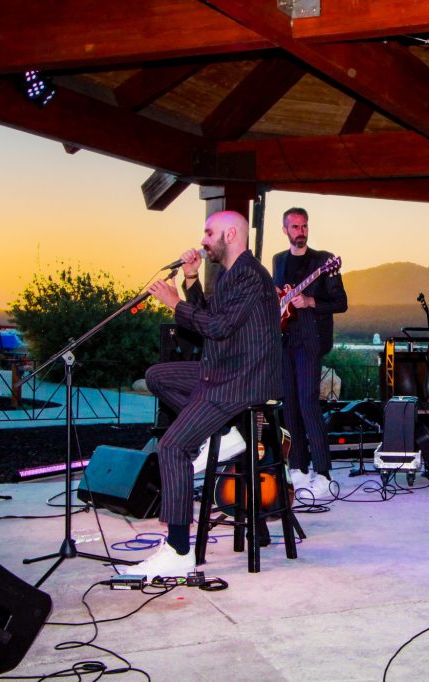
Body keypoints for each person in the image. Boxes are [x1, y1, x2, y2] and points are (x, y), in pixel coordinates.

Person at [123, 211, 281, 579]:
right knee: (159, 376)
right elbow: (211, 317)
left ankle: (179, 550)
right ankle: (222, 434)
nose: (203, 240)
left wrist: (173, 302)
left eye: (209, 233)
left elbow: (217, 327)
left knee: (173, 447)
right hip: (225, 370)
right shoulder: (233, 273)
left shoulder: (248, 274)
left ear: (230, 234)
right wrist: (192, 280)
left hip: (241, 380)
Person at [272, 207, 348, 498]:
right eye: (295, 227)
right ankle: (299, 469)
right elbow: (279, 295)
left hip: (309, 342)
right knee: (288, 405)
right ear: (285, 230)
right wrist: (283, 303)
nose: (300, 231)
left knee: (308, 404)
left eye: (304, 226)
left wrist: (310, 301)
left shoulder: (324, 261)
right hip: (284, 340)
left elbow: (340, 302)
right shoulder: (278, 260)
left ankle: (325, 474)